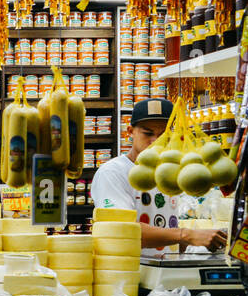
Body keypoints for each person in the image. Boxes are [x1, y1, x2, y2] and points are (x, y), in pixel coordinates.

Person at [91, 98, 227, 255]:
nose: (155, 141)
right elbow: (122, 230)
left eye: (164, 135)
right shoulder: (113, 172)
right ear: (130, 131)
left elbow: (169, 233)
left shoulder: (172, 173)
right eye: (147, 133)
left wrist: (200, 245)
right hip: (131, 273)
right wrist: (187, 235)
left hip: (165, 272)